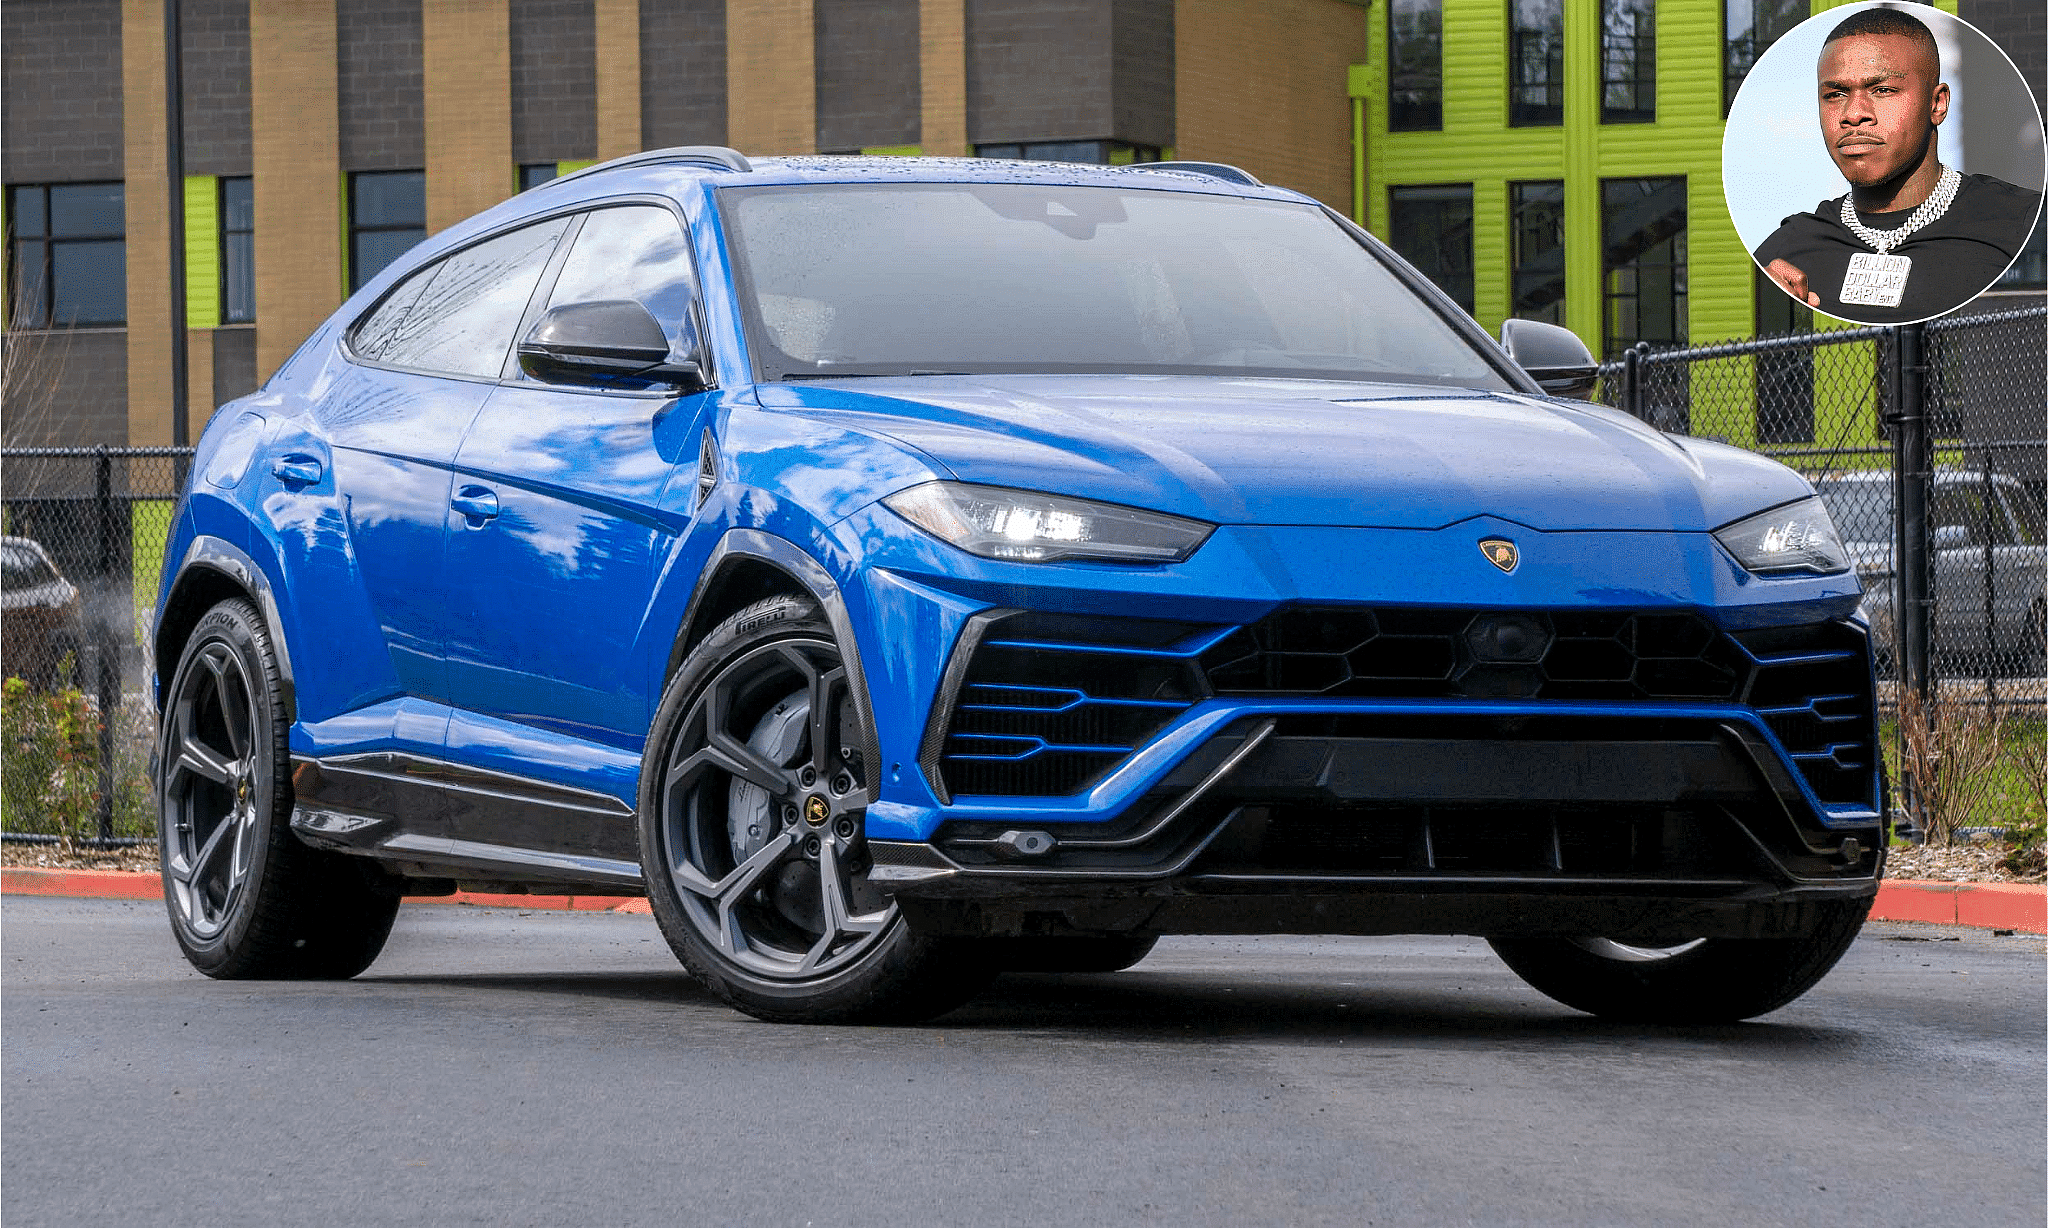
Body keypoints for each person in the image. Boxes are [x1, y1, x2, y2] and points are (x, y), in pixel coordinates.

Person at [1751, 7, 2042, 323]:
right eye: (1835, 94)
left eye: (1883, 90)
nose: (1854, 114)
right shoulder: (1787, 251)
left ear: (1937, 104)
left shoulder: (2022, 223)